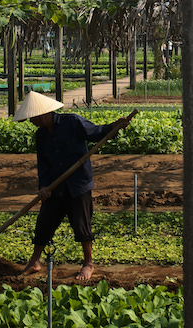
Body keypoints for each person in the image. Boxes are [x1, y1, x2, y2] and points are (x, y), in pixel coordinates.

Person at [14, 91, 134, 281]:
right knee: (44, 223)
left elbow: (96, 133)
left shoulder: (72, 122)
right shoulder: (41, 136)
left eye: (32, 118)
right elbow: (43, 164)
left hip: (78, 184)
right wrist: (43, 186)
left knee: (81, 225)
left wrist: (115, 126)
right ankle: (35, 261)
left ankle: (88, 264)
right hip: (55, 186)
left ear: (42, 114)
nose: (31, 122)